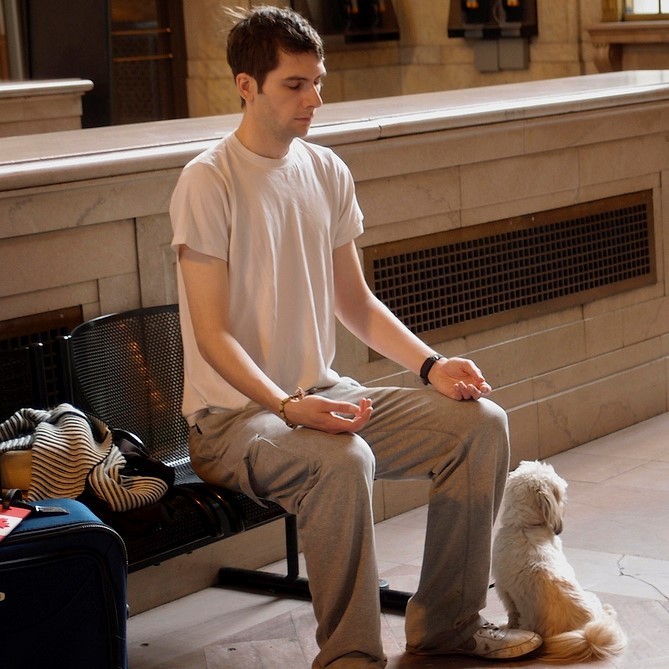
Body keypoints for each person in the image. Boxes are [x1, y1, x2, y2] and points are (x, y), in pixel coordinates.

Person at [170, 5, 542, 668]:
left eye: (317, 80)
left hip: (323, 394)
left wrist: (429, 366)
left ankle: (447, 625)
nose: (314, 97)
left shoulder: (326, 170)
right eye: (295, 83)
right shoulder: (208, 181)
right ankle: (352, 656)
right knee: (342, 461)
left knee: (479, 423)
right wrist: (286, 406)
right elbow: (211, 335)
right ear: (246, 85)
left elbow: (354, 302)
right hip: (234, 420)